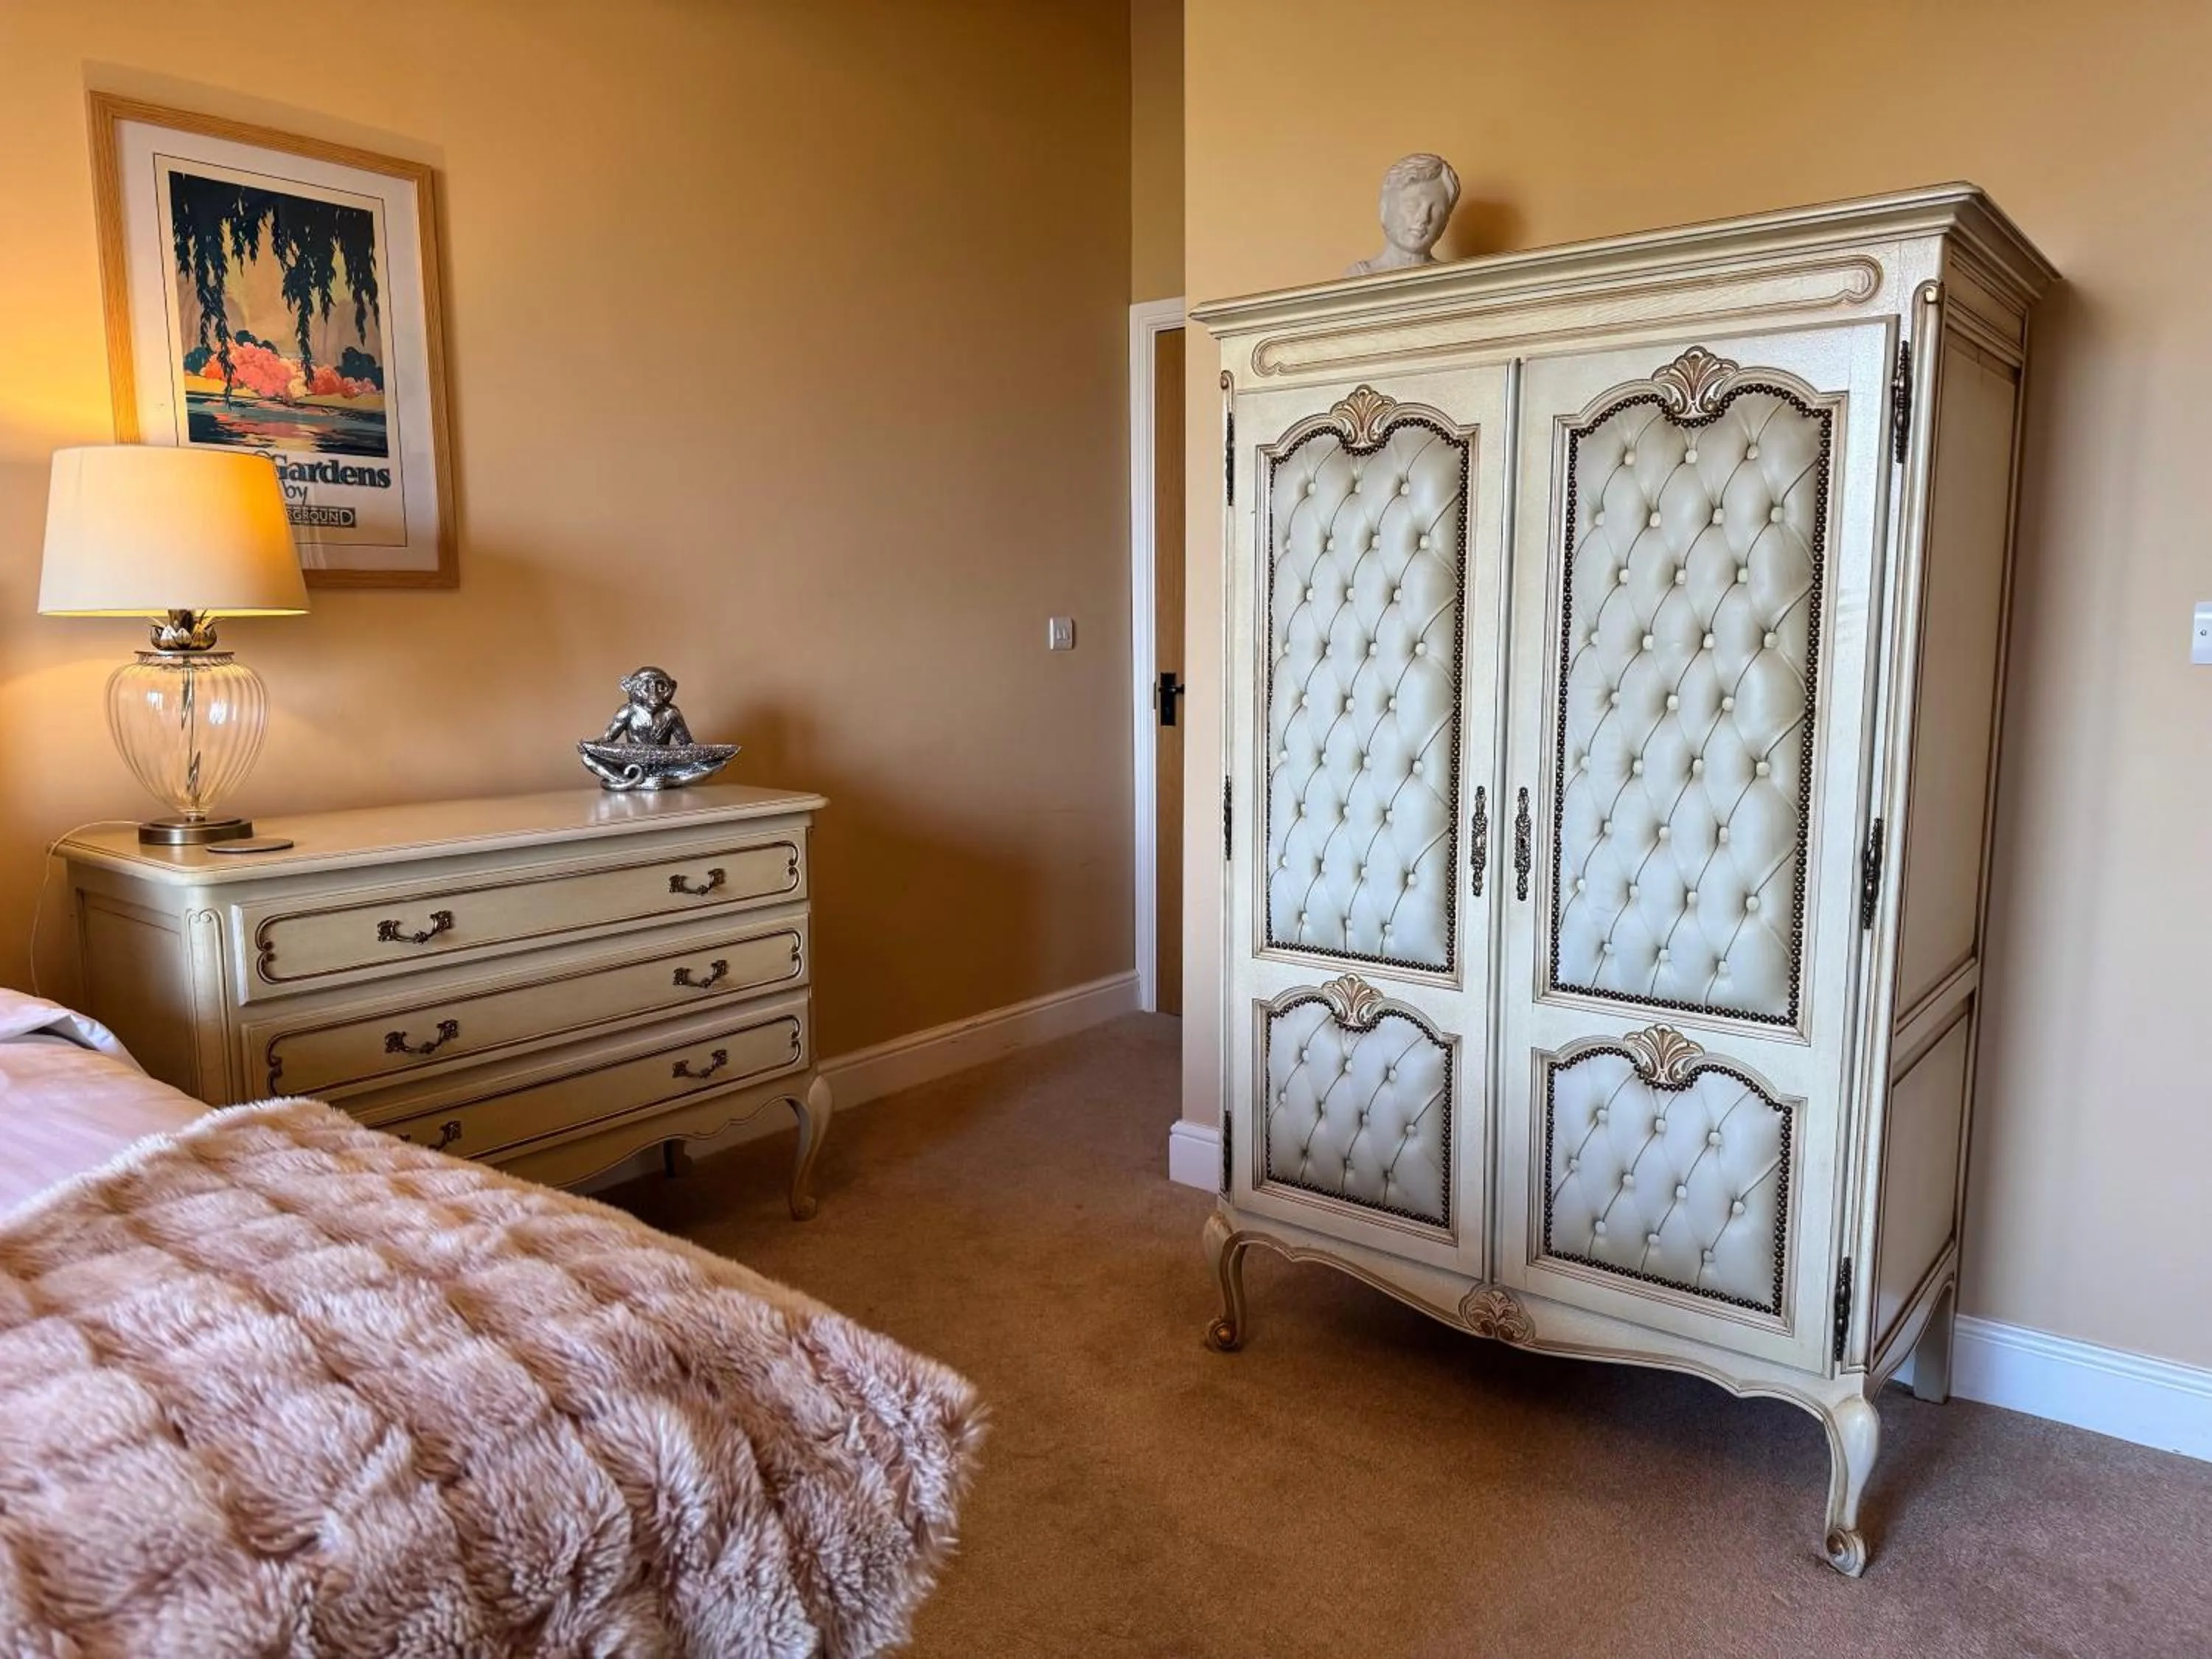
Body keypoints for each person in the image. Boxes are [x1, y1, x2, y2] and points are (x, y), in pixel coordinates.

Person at [1346, 153, 1461, 277]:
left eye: (1435, 210)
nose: (1423, 218)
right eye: (1413, 205)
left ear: (1445, 222)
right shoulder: (1358, 277)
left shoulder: (1451, 279)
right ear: (1385, 207)